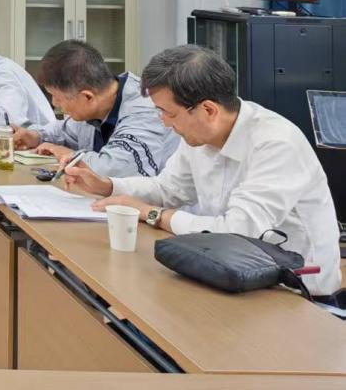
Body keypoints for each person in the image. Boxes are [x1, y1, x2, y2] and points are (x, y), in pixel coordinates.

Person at [66, 44, 341, 298]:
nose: (164, 123)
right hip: (229, 270)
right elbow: (168, 189)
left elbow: (237, 231)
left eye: (169, 113)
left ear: (208, 110)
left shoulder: (276, 144)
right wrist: (108, 186)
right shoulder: (199, 135)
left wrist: (153, 214)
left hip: (295, 292)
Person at [11, 39, 178, 177]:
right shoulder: (98, 103)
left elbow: (115, 170)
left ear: (87, 97)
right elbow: (64, 131)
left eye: (58, 97)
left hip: (157, 206)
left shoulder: (144, 109)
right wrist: (35, 136)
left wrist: (67, 154)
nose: (54, 103)